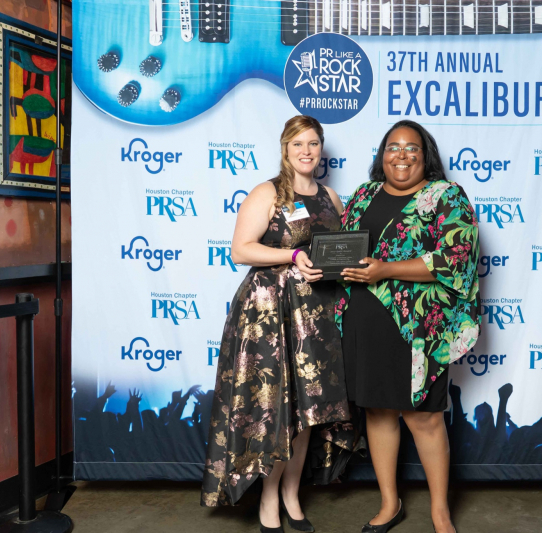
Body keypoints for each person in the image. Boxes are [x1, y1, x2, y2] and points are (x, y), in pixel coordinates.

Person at [202, 115, 358, 533]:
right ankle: (268, 498)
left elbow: (336, 254)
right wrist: (292, 257)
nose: (306, 151)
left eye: (313, 143)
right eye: (298, 144)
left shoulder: (332, 198)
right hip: (270, 313)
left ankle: (291, 494)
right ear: (285, 149)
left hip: (317, 317)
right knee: (277, 408)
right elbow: (241, 249)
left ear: (321, 148)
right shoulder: (267, 193)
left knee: (309, 409)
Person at [337, 120, 481, 533]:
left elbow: (456, 258)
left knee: (424, 417)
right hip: (365, 321)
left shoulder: (446, 196)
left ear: (426, 155)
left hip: (419, 330)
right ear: (382, 155)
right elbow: (347, 250)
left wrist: (385, 271)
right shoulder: (364, 196)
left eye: (411, 148)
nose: (401, 155)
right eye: (392, 147)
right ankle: (389, 504)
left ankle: (440, 512)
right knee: (379, 413)